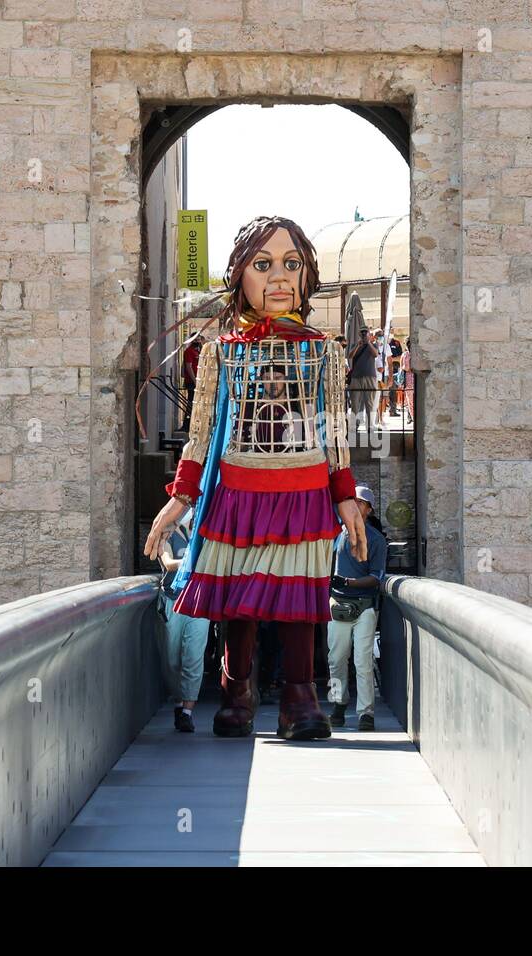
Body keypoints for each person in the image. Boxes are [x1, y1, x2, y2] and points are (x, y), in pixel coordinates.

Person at [143, 215, 367, 742]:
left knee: (297, 600)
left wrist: (346, 498)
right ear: (239, 274)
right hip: (237, 489)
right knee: (239, 598)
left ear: (308, 275)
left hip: (302, 490)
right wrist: (180, 497)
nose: (279, 277)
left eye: (292, 264)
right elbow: (200, 433)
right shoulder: (221, 352)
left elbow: (334, 432)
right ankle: (236, 689)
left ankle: (299, 698)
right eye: (263, 264)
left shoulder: (325, 351)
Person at [326, 485, 387, 732]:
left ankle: (366, 713)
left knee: (363, 661)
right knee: (335, 659)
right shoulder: (336, 535)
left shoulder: (376, 540)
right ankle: (338, 704)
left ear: (369, 509)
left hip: (364, 606)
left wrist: (347, 582)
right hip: (337, 604)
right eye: (351, 501)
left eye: (360, 503)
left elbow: (376, 577)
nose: (354, 506)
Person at [157, 513, 211, 732]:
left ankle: (187, 711)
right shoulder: (164, 535)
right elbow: (168, 563)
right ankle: (179, 701)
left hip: (199, 602)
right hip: (172, 600)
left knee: (194, 657)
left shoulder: (204, 535)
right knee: (171, 659)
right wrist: (194, 561)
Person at [347, 327, 378, 433]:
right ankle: (354, 425)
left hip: (370, 376)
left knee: (369, 402)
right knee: (355, 402)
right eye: (362, 332)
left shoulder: (373, 345)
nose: (364, 334)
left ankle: (370, 426)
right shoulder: (354, 345)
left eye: (366, 332)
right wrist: (358, 345)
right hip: (356, 377)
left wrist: (368, 343)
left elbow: (375, 354)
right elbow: (350, 356)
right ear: (359, 334)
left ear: (369, 334)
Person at [180, 333, 202, 432]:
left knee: (197, 404)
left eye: (199, 339)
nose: (197, 341)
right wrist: (195, 381)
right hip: (192, 382)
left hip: (198, 381)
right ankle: (186, 426)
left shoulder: (199, 351)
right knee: (191, 403)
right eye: (195, 339)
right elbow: (188, 367)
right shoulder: (189, 351)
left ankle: (193, 425)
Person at [401, 336, 414, 424]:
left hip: (411, 380)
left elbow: (403, 367)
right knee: (410, 402)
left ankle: (413, 418)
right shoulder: (405, 355)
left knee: (411, 402)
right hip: (409, 381)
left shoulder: (406, 355)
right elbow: (403, 367)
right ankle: (413, 418)